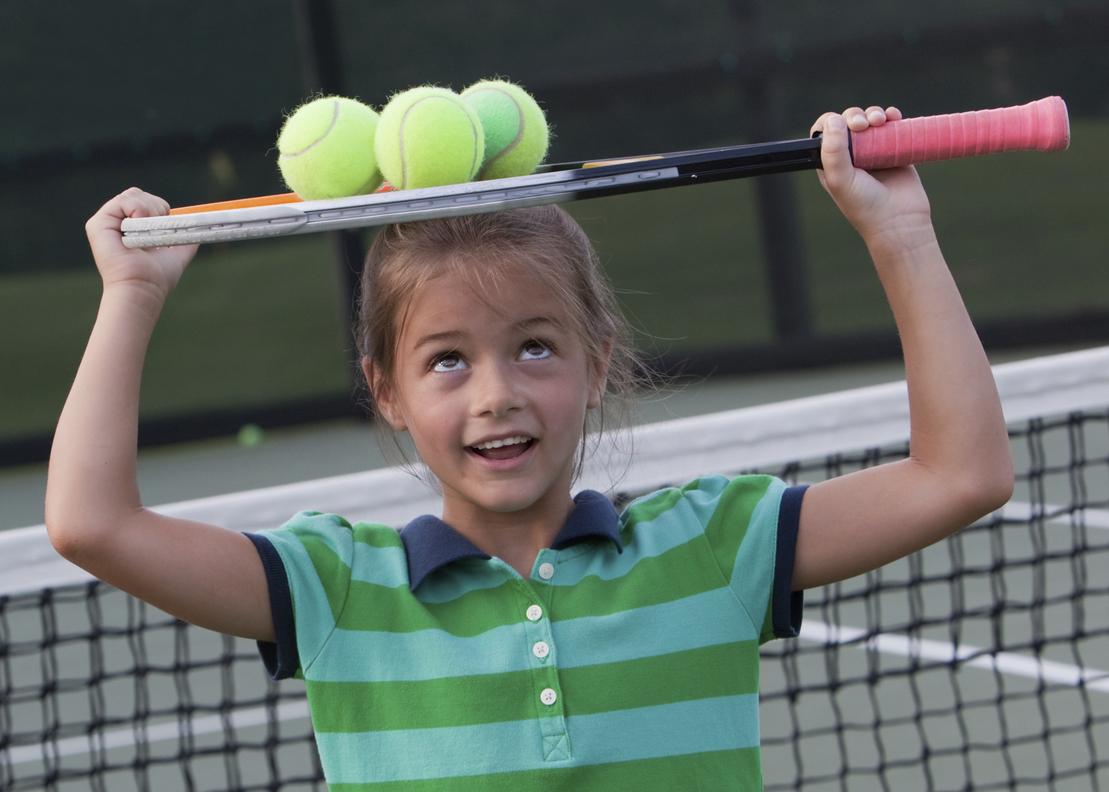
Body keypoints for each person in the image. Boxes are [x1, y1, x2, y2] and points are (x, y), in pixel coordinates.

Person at [46, 106, 1014, 789]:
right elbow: (91, 525)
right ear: (385, 390)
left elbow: (959, 475)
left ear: (596, 365)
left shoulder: (716, 546)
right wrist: (131, 297)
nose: (498, 395)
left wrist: (899, 236)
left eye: (534, 348)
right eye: (446, 362)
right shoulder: (332, 588)